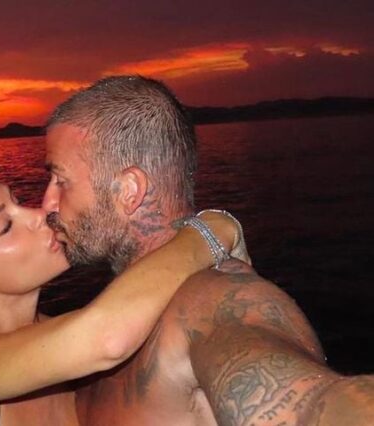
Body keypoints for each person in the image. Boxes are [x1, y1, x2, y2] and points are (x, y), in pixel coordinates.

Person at [42, 75, 374, 425]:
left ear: (128, 191)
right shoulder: (109, 317)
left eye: (61, 181)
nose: (47, 202)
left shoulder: (213, 301)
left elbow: (316, 405)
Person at [0, 173, 247, 425]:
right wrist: (212, 231)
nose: (39, 215)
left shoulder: (63, 340)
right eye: (5, 226)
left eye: (18, 202)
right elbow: (106, 339)